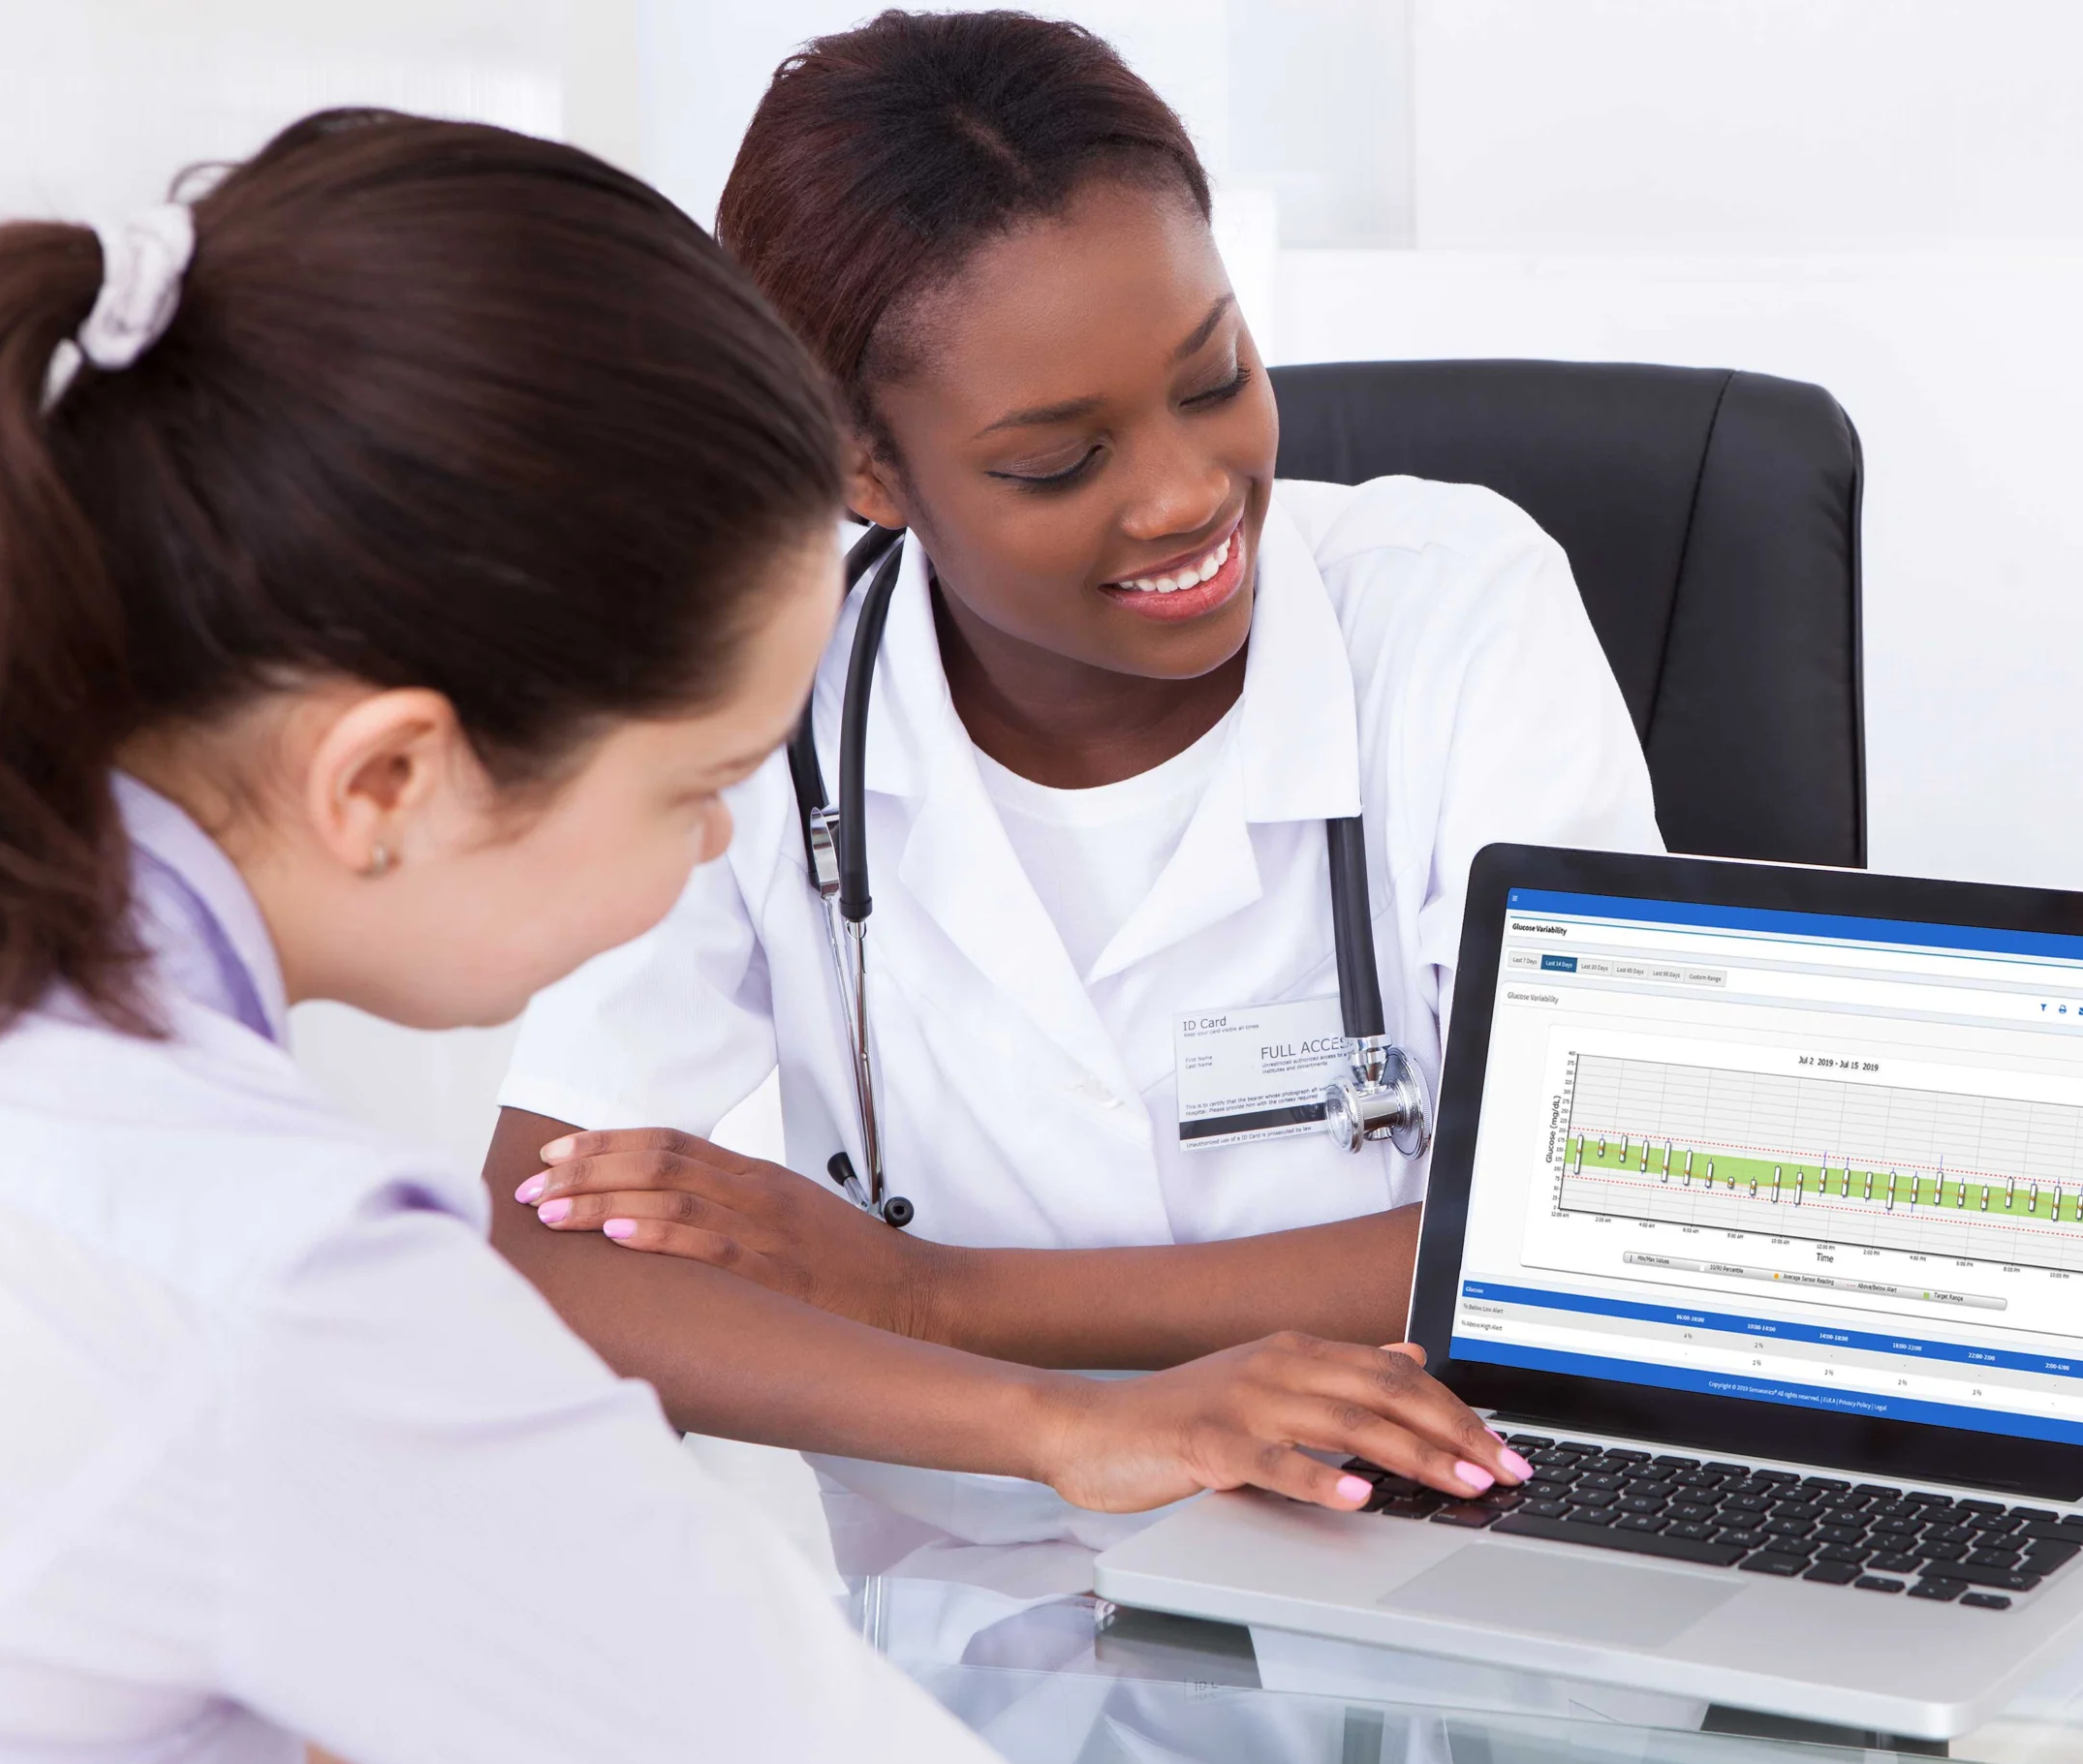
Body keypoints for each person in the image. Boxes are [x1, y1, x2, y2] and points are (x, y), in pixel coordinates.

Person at [0, 109, 1518, 1764]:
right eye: (696, 783)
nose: (720, 840)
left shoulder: (67, 1111)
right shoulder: (285, 1285)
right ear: (389, 778)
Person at [487, 10, 1659, 1552]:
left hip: (1432, 1577)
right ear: (864, 470)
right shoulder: (757, 688)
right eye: (1056, 461)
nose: (1185, 493)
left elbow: (1606, 1225)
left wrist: (930, 1296)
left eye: (1214, 373)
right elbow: (543, 1252)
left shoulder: (1453, 606)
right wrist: (1070, 1425)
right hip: (970, 1623)